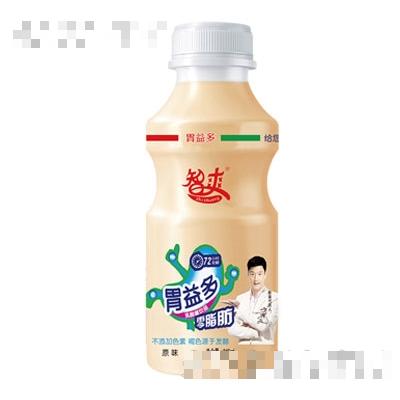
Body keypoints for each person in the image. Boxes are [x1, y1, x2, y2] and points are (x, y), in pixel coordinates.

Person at [225, 256, 278, 345]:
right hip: (243, 348)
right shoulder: (240, 298)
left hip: (263, 348)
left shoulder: (274, 298)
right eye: (252, 274)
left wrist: (241, 309)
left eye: (259, 274)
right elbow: (231, 329)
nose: (256, 278)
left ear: (265, 275)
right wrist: (254, 333)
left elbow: (262, 325)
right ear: (248, 275)